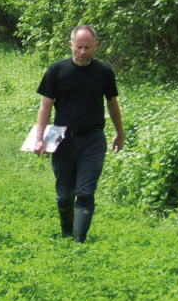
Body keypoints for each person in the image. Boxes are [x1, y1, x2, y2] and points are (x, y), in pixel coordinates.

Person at [33, 25, 125, 243]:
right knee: (64, 196)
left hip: (93, 140)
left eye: (88, 47)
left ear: (95, 47)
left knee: (85, 192)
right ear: (71, 45)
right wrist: (39, 138)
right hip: (62, 140)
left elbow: (112, 104)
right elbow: (45, 106)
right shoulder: (56, 70)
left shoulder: (104, 72)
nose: (83, 52)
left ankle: (79, 242)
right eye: (79, 47)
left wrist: (119, 133)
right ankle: (67, 233)